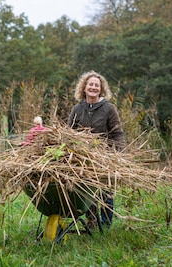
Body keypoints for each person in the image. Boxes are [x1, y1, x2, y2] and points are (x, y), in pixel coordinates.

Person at [68, 70, 126, 228]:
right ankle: (92, 220)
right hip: (83, 157)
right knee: (87, 189)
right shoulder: (77, 109)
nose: (93, 87)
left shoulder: (109, 108)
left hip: (105, 156)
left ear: (101, 89)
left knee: (105, 191)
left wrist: (118, 155)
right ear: (84, 87)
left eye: (96, 85)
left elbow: (117, 133)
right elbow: (69, 133)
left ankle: (106, 224)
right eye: (90, 84)